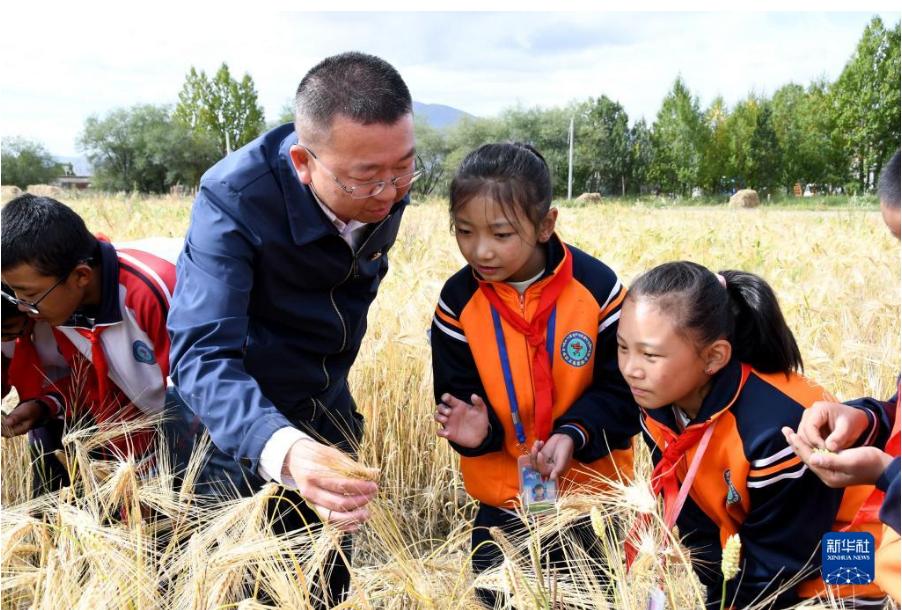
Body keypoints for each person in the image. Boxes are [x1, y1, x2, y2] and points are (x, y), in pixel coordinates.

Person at [164, 52, 418, 607]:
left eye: (404, 168)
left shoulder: (382, 181)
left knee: (323, 585)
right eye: (366, 179)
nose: (389, 193)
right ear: (304, 162)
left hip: (325, 405)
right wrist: (281, 447)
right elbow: (202, 354)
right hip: (228, 428)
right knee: (234, 589)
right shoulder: (233, 199)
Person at [430, 142, 638, 603]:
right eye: (464, 231)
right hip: (503, 507)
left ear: (546, 225)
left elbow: (628, 395)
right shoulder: (457, 303)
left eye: (501, 234)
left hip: (591, 504)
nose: (480, 250)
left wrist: (574, 434)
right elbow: (456, 397)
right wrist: (477, 433)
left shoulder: (598, 290)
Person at [616, 260, 885, 609]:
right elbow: (700, 526)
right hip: (771, 559)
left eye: (650, 355)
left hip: (848, 564)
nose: (630, 369)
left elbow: (781, 560)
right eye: (622, 347)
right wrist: (719, 589)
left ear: (714, 357)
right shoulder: (659, 405)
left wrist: (730, 600)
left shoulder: (778, 431)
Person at [783, 149, 901, 603]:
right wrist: (867, 420)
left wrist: (885, 473)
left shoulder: (763, 419)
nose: (633, 368)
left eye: (651, 353)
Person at [1, 194, 176, 466]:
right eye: (14, 295)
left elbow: (201, 397)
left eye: (29, 295)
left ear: (81, 276)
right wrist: (44, 406)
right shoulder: (63, 304)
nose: (23, 307)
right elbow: (97, 388)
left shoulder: (151, 292)